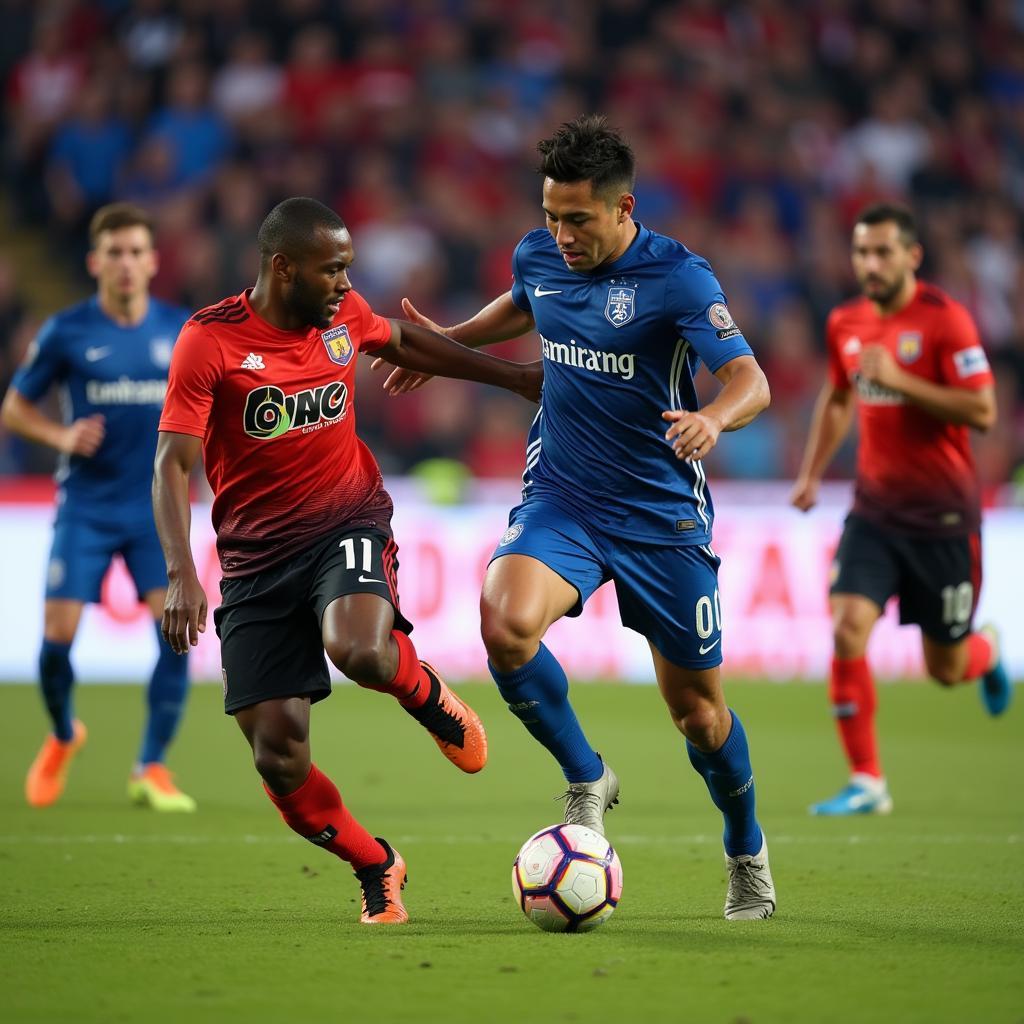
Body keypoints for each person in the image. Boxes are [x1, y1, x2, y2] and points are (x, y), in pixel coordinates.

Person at [376, 116, 776, 921]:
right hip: (563, 496)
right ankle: (588, 776)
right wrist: (441, 343)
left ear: (624, 208)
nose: (561, 234)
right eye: (552, 215)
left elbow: (750, 379)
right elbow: (524, 303)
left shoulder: (678, 278)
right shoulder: (539, 253)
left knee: (699, 716)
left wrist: (714, 420)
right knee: (504, 625)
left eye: (579, 220)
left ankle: (745, 849)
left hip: (661, 517)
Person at [153, 197, 541, 925]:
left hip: (346, 519)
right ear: (283, 268)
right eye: (332, 270)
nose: (344, 284)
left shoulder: (341, 316)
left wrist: (515, 379)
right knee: (279, 755)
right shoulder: (209, 342)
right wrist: (181, 573)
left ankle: (427, 697)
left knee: (359, 649)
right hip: (254, 561)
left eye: (348, 270)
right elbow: (171, 464)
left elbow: (406, 343)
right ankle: (376, 864)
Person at [790, 202, 1012, 817]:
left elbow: (984, 412)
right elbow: (837, 397)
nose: (870, 263)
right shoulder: (845, 322)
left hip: (943, 521)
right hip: (874, 514)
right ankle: (868, 781)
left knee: (946, 667)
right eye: (862, 252)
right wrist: (811, 473)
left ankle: (986, 651)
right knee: (845, 625)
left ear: (912, 256)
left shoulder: (946, 322)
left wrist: (903, 380)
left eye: (883, 252)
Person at [1, 202, 195, 812]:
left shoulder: (181, 330)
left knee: (176, 637)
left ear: (154, 260)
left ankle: (152, 767)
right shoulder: (66, 332)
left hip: (152, 512)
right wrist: (61, 436)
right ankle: (63, 734)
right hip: (85, 506)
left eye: (137, 251)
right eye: (115, 253)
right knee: (56, 640)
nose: (127, 263)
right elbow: (14, 407)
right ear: (95, 262)